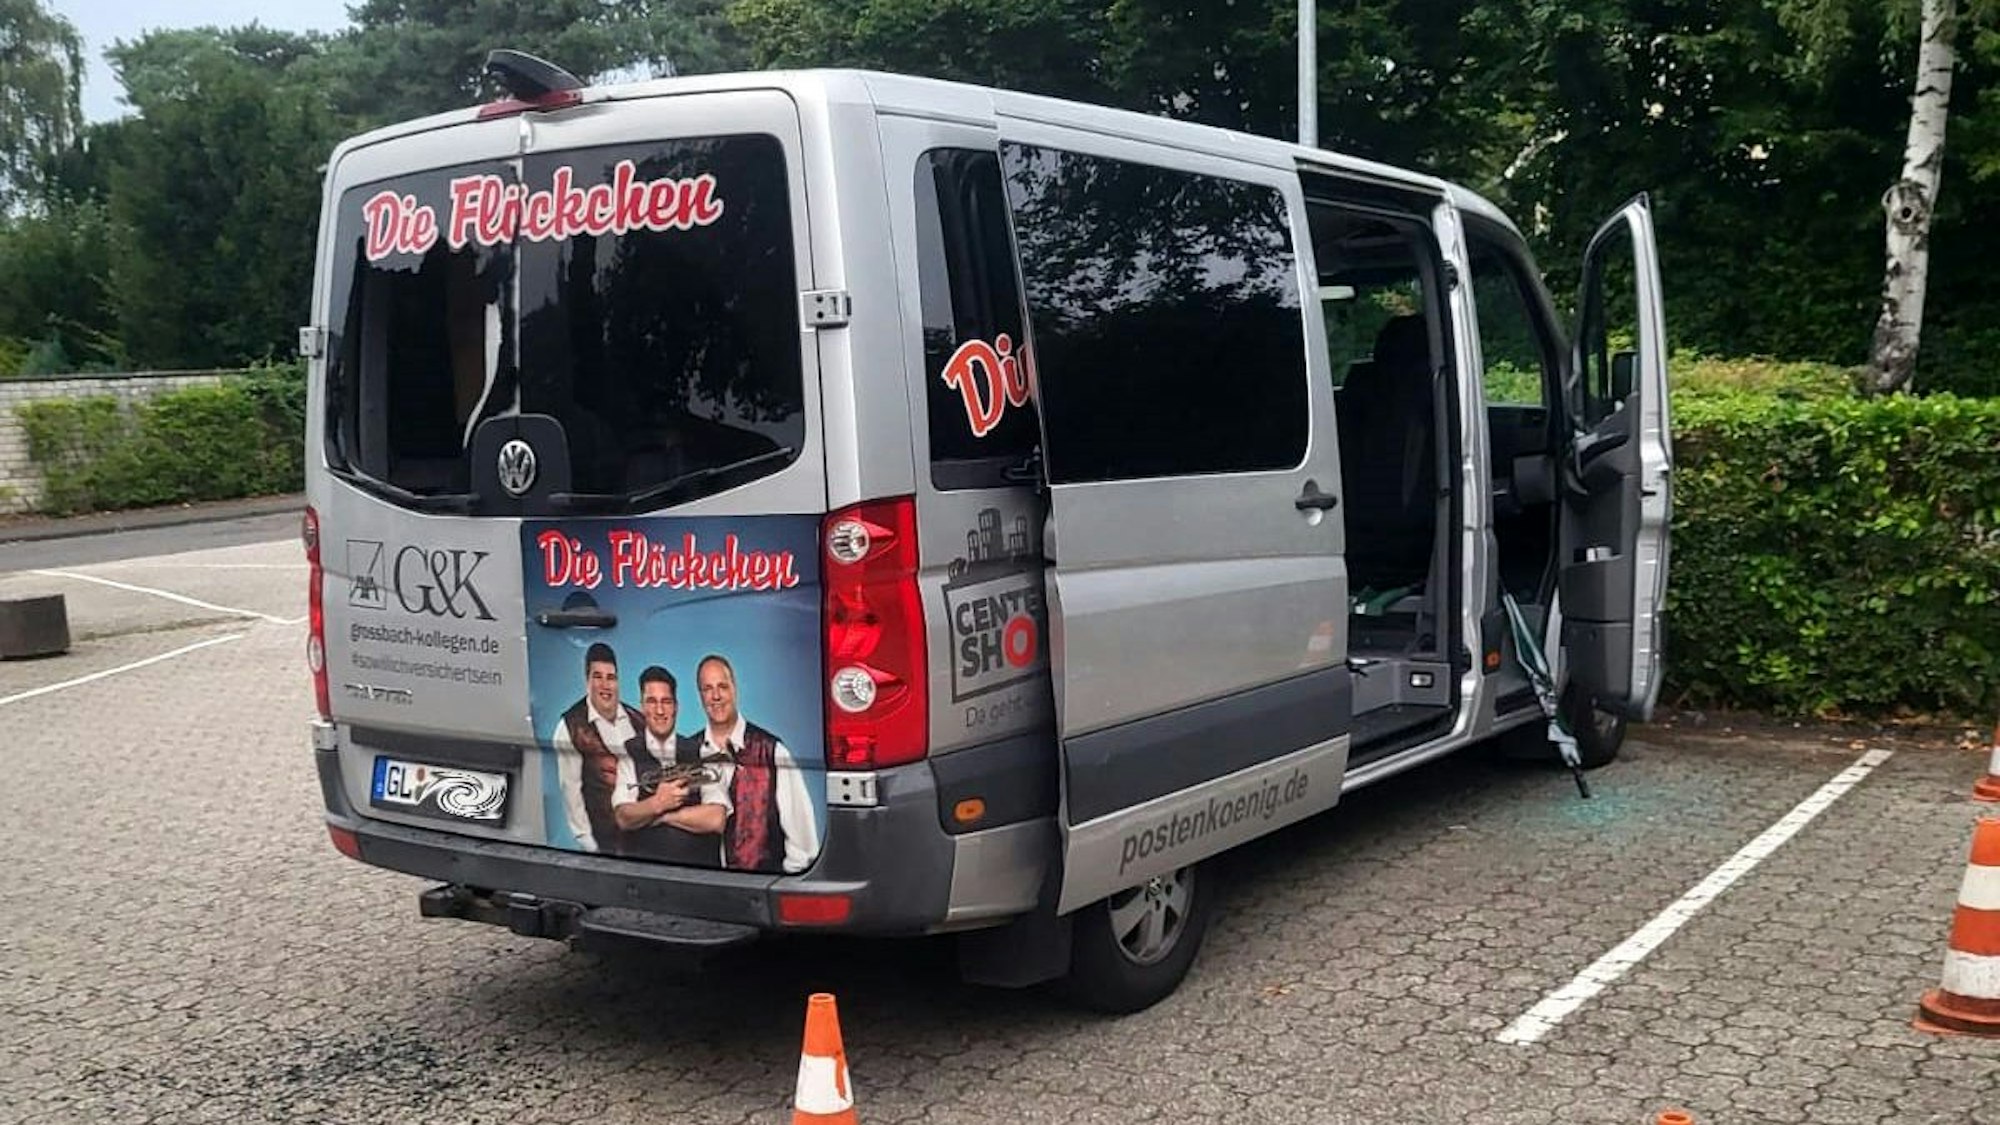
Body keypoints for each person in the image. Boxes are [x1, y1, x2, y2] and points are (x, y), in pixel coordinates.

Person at [695, 654, 821, 873]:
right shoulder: (689, 752)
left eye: (722, 686)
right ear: (700, 696)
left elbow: (803, 846)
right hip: (704, 889)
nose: (715, 696)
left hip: (759, 889)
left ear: (734, 689)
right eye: (707, 689)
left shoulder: (772, 752)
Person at [615, 666, 731, 864]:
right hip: (642, 877)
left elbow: (716, 819)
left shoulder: (703, 752)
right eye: (652, 702)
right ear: (642, 706)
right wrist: (657, 803)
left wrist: (665, 816)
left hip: (699, 878)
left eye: (666, 702)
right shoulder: (628, 753)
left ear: (676, 706)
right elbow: (623, 817)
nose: (660, 711)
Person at [550, 642, 640, 853]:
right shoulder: (570, 727)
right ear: (587, 681)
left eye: (611, 678)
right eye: (597, 677)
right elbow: (571, 794)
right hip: (603, 846)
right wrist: (591, 848)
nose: (605, 685)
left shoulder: (638, 720)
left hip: (642, 843)